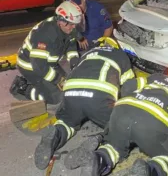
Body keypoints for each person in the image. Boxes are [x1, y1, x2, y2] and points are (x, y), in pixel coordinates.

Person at [71, 70, 168, 176]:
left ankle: (97, 160)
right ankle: (149, 171)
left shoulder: (160, 77)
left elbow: (128, 86)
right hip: (152, 125)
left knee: (114, 147)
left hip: (121, 111)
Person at [34, 37, 135, 170]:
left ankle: (55, 135)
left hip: (70, 92)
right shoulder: (120, 54)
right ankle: (100, 146)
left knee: (67, 121)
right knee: (123, 132)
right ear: (115, 46)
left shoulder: (87, 54)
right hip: (99, 96)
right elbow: (130, 87)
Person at [9, 1, 82, 104]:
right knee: (57, 98)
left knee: (68, 89)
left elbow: (71, 46)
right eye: (71, 24)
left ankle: (42, 85)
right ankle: (22, 88)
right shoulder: (45, 34)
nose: (73, 27)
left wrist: (75, 65)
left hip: (49, 63)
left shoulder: (68, 28)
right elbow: (39, 66)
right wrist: (58, 79)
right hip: (30, 66)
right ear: (61, 21)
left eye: (75, 24)